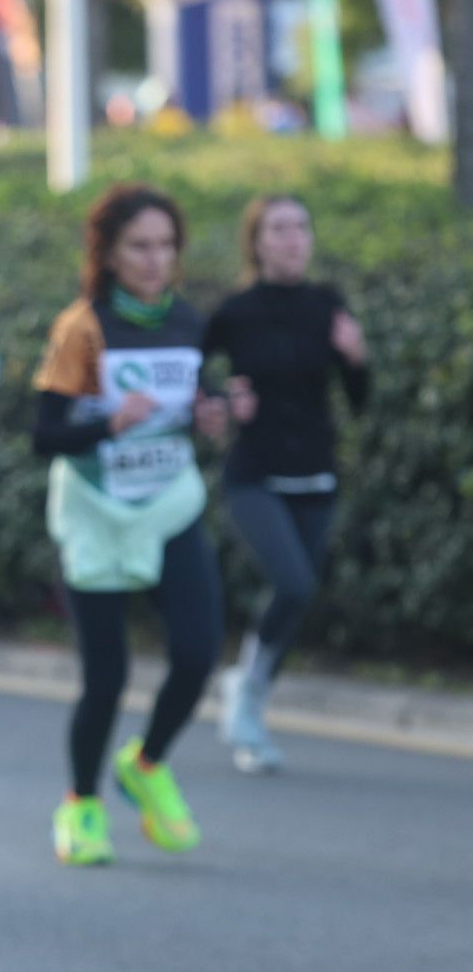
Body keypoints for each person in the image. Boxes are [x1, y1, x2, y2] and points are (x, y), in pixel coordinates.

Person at [31, 184, 227, 865]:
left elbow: (202, 402)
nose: (154, 260)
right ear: (110, 255)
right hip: (95, 513)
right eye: (139, 247)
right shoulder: (82, 327)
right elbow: (44, 434)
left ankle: (145, 764)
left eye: (166, 246)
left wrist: (213, 416)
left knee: (200, 653)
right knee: (107, 678)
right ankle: (81, 804)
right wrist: (104, 422)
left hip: (169, 505)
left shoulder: (191, 324)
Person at [204, 194, 369, 774]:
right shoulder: (235, 311)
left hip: (316, 472)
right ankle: (247, 693)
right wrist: (224, 400)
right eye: (279, 229)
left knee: (296, 597)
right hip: (254, 475)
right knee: (294, 584)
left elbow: (358, 401)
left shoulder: (327, 305)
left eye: (301, 227)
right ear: (257, 242)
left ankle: (249, 692)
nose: (293, 238)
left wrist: (355, 358)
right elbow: (192, 373)